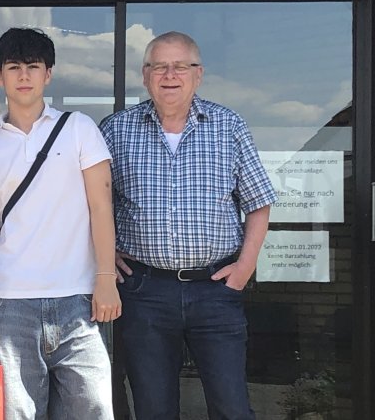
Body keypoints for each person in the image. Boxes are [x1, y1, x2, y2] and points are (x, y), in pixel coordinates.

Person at [100, 31, 277, 420]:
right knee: (153, 407)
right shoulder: (116, 130)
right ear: (145, 75)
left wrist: (244, 268)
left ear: (198, 74)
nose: (170, 74)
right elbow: (93, 205)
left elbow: (259, 203)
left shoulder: (228, 126)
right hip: (145, 292)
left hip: (215, 290)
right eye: (159, 66)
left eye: (181, 66)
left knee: (231, 406)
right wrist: (106, 254)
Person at [0, 27, 121, 419]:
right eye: (13, 67)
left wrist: (106, 277)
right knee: (16, 413)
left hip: (78, 300)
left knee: (95, 408)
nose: (23, 76)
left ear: (48, 74)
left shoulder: (80, 129)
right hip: (9, 301)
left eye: (33, 67)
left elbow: (101, 206)